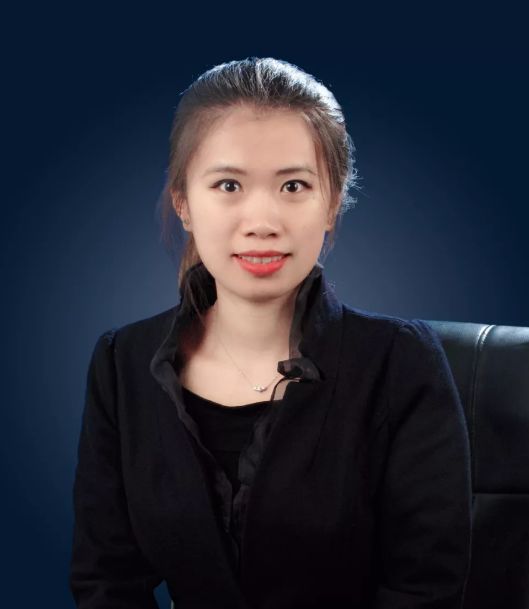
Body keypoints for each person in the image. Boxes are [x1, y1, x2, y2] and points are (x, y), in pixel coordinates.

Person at [69, 57, 472, 609]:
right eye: (228, 184)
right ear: (184, 202)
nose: (262, 222)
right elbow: (106, 581)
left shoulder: (401, 363)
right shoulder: (122, 362)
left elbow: (424, 590)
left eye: (294, 185)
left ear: (332, 203)